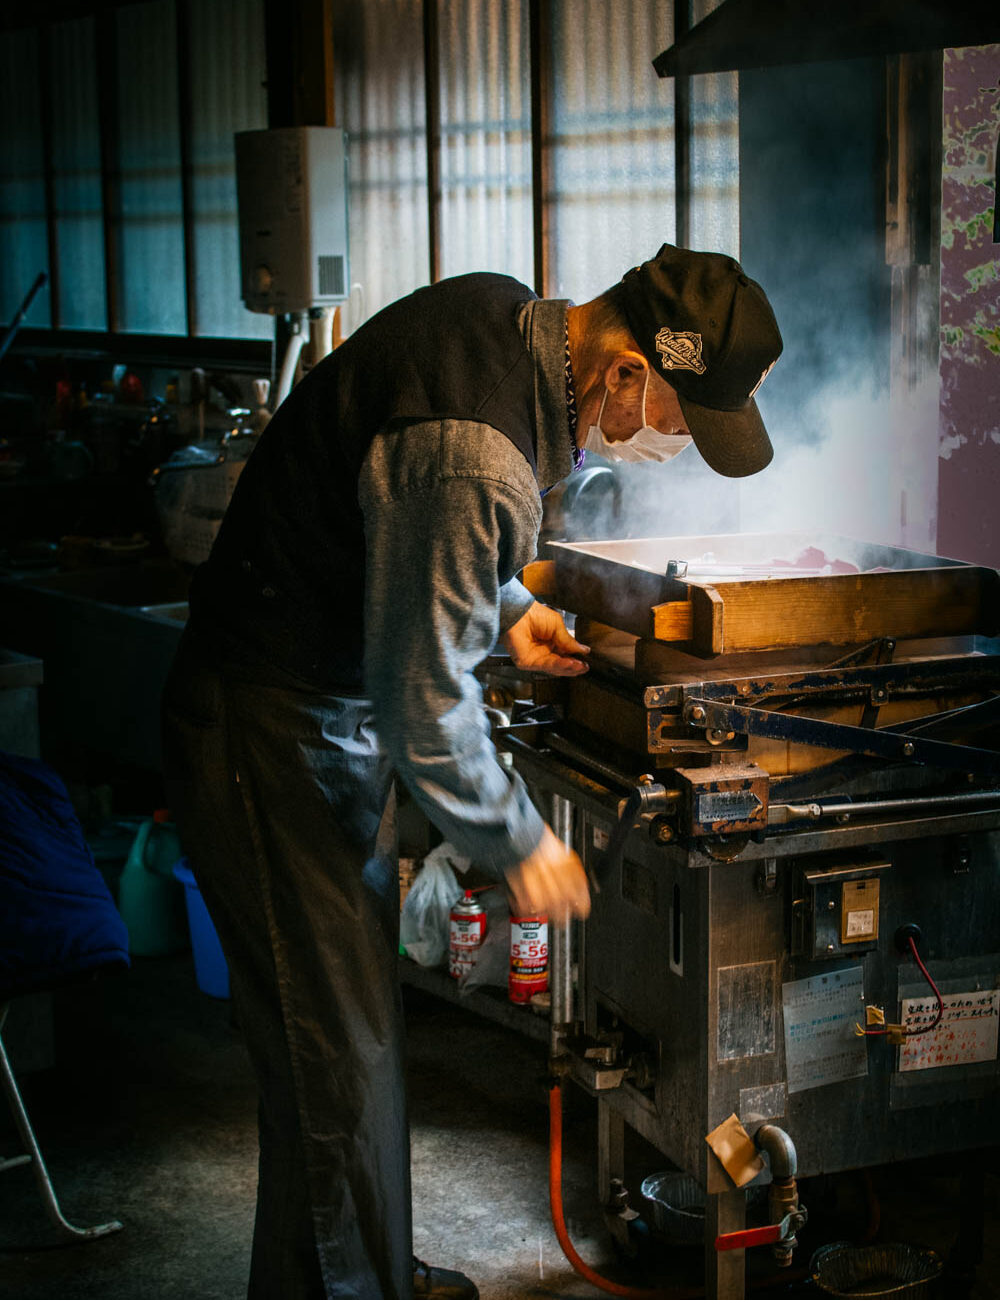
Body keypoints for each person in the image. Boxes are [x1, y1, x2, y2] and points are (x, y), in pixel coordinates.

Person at [161, 242, 782, 1300]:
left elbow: (399, 536)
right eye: (680, 426)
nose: (669, 447)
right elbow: (424, 701)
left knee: (340, 1046)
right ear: (628, 371)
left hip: (309, 702)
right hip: (267, 722)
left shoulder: (500, 314)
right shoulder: (478, 456)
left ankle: (360, 1272)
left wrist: (507, 608)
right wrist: (517, 838)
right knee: (336, 1058)